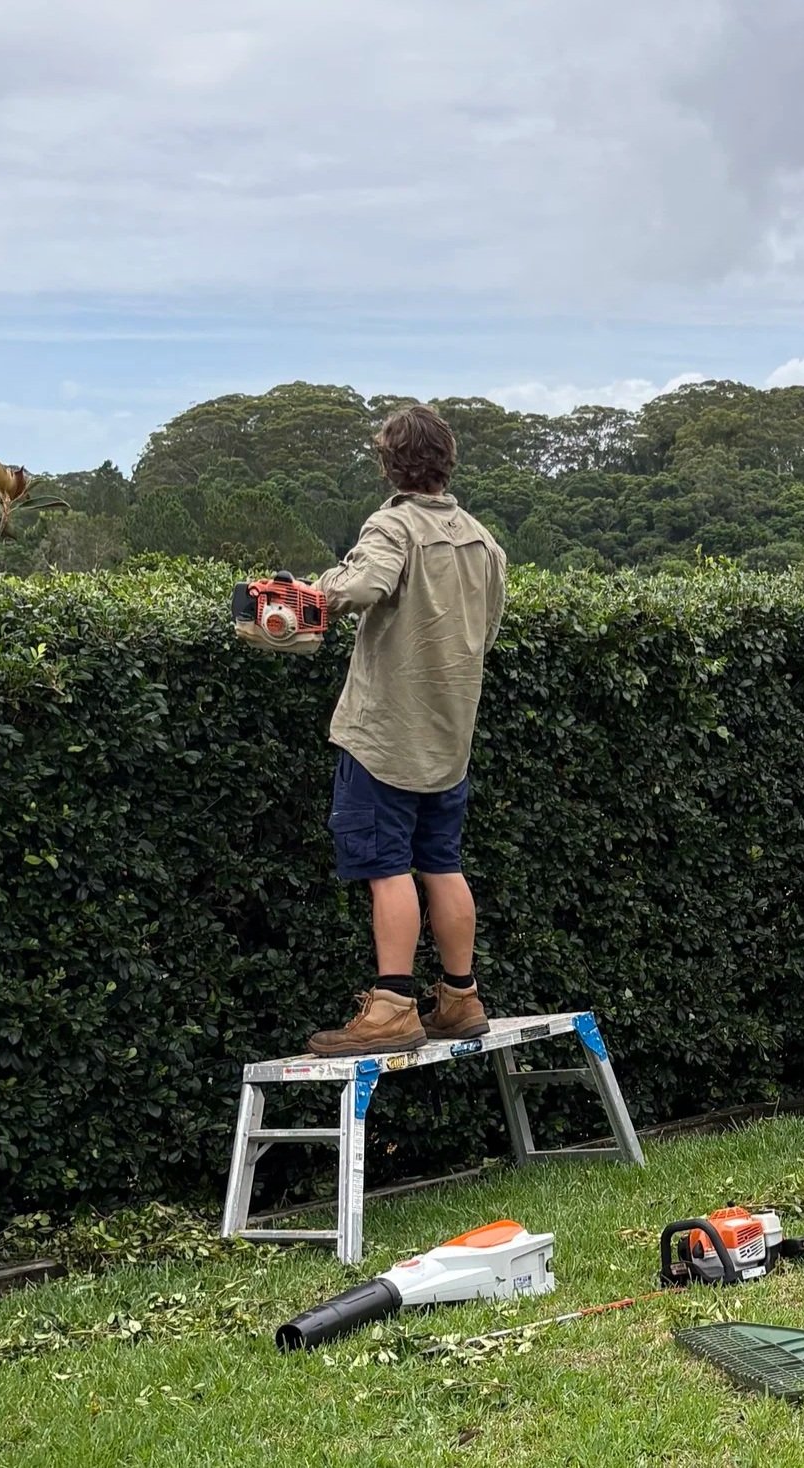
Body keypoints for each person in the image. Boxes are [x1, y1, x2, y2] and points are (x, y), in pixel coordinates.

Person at [305, 404, 508, 1056]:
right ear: (447, 460)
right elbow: (489, 632)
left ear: (390, 463)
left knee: (387, 866)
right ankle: (460, 997)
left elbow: (363, 583)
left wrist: (312, 594)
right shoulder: (483, 540)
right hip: (450, 736)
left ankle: (392, 1005)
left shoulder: (392, 526)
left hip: (384, 733)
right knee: (441, 863)